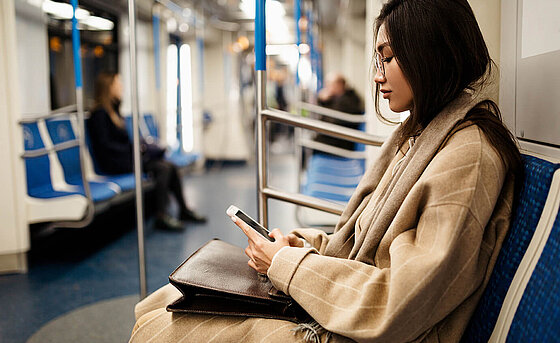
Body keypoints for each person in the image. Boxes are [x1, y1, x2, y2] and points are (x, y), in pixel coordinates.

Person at [129, 0, 523, 341]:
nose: (377, 74)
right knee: (162, 301)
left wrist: (284, 264)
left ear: (430, 54)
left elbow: (399, 303)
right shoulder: (423, 136)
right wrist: (300, 248)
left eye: (388, 57)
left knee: (161, 325)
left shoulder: (467, 157)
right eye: (378, 59)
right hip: (351, 313)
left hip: (366, 333)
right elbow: (362, 243)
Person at [88, 72, 206, 231]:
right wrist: (136, 151)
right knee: (163, 168)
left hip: (125, 159)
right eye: (118, 84)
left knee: (170, 165)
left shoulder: (114, 112)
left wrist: (139, 149)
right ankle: (162, 216)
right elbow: (105, 146)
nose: (121, 87)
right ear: (108, 88)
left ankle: (183, 210)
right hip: (114, 163)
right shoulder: (99, 115)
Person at [314, 73, 364, 150]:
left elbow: (333, 120)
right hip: (338, 136)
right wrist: (322, 101)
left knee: (313, 143)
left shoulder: (347, 101)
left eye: (329, 85)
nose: (327, 89)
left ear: (339, 85)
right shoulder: (340, 97)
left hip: (342, 140)